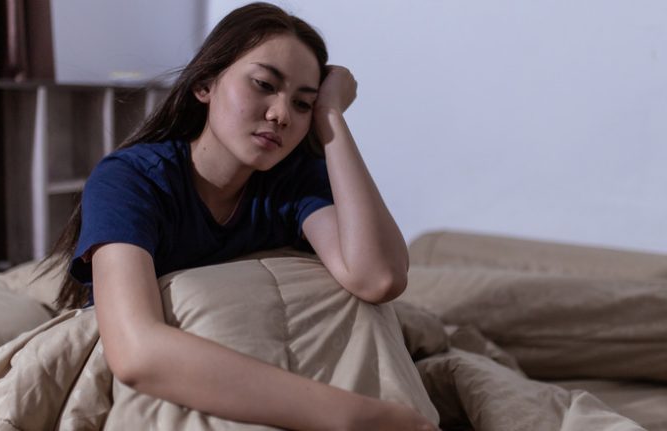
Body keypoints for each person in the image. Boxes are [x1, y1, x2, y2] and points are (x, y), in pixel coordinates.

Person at [45, 2, 438, 430]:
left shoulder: (290, 181)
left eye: (303, 104)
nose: (282, 114)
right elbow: (137, 352)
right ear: (204, 84)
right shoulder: (132, 179)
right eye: (264, 84)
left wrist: (332, 120)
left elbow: (378, 277)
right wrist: (359, 416)